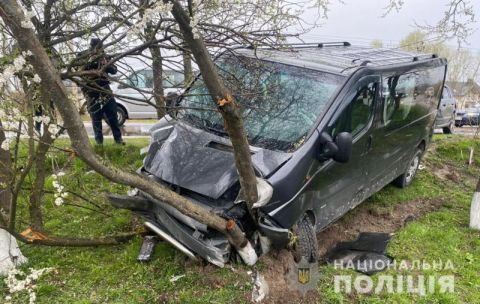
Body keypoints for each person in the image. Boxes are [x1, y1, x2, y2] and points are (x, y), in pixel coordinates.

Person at [80, 38, 124, 145]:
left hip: (105, 89)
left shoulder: (104, 56)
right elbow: (80, 70)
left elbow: (114, 70)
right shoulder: (83, 55)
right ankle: (99, 143)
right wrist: (91, 62)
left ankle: (118, 140)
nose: (98, 50)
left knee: (113, 115)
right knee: (96, 118)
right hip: (91, 91)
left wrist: (105, 63)